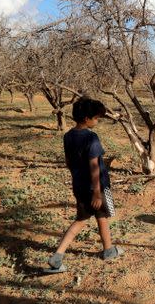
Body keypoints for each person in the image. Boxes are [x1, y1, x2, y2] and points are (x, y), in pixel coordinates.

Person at [46, 97, 122, 273]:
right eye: (96, 118)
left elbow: (68, 162)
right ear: (87, 118)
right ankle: (106, 250)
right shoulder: (91, 138)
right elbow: (94, 166)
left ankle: (59, 255)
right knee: (97, 218)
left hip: (79, 186)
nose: (97, 121)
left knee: (87, 219)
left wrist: (78, 179)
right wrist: (96, 192)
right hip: (97, 188)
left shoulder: (68, 136)